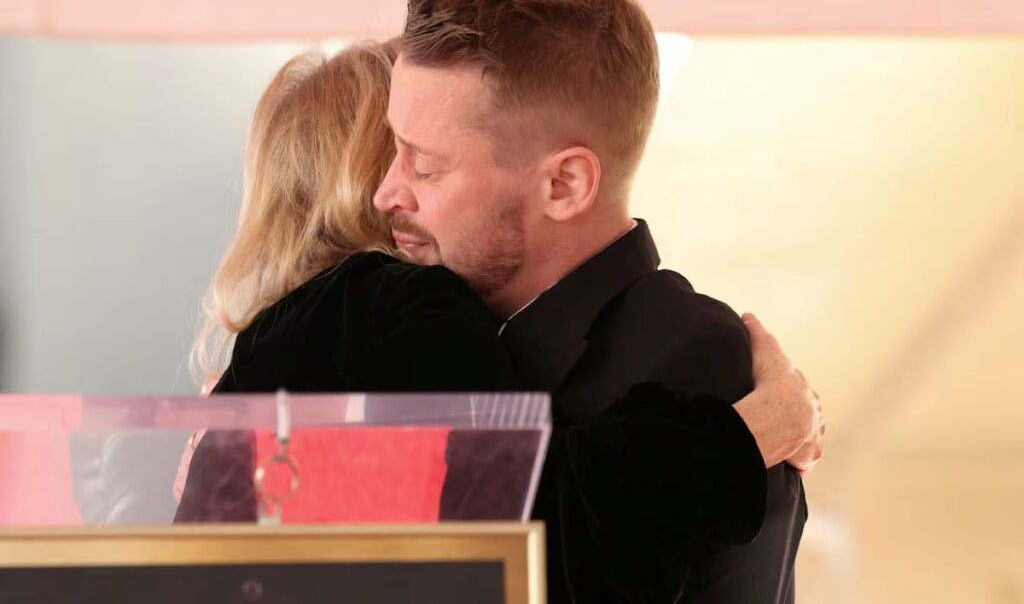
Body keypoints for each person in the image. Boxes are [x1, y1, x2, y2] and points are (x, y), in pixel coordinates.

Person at [175, 33, 823, 596]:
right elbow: (543, 533)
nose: (411, 178)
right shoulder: (392, 304)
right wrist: (756, 430)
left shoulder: (266, 351)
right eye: (417, 149)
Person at [373, 0, 816, 602]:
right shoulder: (428, 323)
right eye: (394, 148)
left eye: (425, 166)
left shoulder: (691, 358)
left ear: (565, 184)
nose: (387, 192)